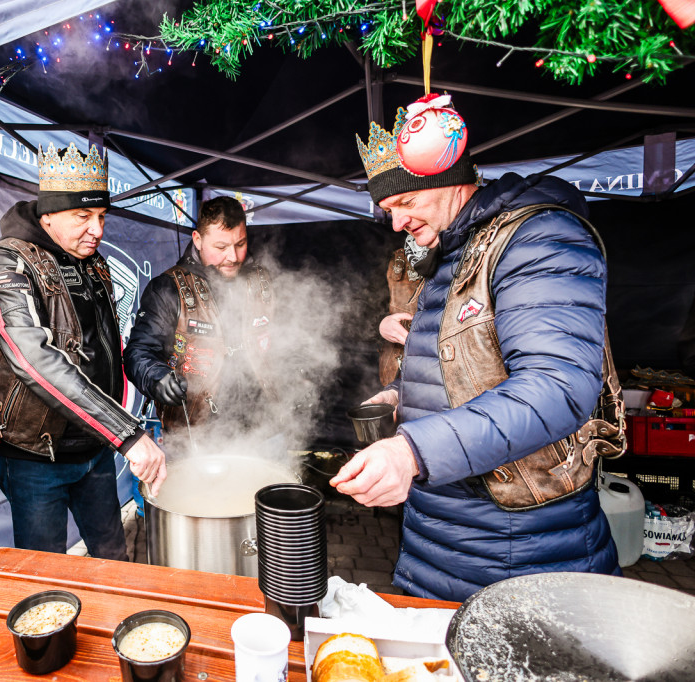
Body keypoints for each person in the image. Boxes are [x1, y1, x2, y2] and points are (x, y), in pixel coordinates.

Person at [332, 101, 621, 602]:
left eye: (405, 203)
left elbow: (557, 388)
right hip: (441, 539)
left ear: (448, 177)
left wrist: (413, 450)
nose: (397, 224)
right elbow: (469, 367)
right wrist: (404, 398)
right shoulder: (455, 252)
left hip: (522, 549)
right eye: (389, 211)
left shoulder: (538, 238)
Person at [0, 142, 166, 560]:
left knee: (113, 556)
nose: (96, 229)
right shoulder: (4, 262)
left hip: (94, 447)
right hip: (34, 455)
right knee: (46, 571)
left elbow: (104, 347)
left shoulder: (94, 263)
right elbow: (33, 357)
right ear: (47, 217)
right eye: (83, 216)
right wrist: (127, 433)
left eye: (100, 217)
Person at [124, 196, 275, 432]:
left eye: (240, 244)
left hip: (264, 426)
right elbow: (138, 352)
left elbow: (283, 338)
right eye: (221, 247)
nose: (233, 257)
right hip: (194, 432)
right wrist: (157, 378)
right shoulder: (167, 288)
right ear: (198, 240)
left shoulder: (261, 280)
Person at [377, 236, 431, 386]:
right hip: (400, 370)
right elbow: (363, 307)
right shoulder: (394, 257)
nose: (399, 223)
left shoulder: (470, 253)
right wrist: (382, 325)